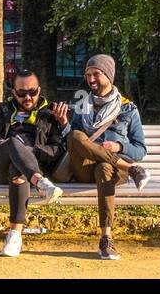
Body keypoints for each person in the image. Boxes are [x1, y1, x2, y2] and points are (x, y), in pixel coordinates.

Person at [51, 53, 149, 261]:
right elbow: (73, 142)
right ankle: (133, 170)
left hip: (113, 172)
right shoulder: (83, 105)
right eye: (88, 75)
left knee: (104, 168)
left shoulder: (128, 109)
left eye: (96, 74)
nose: (91, 79)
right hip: (85, 168)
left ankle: (106, 238)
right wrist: (63, 123)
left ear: (109, 75)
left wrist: (119, 146)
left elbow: (140, 150)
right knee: (75, 135)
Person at [0, 70, 68, 258]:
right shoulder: (1, 111)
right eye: (22, 93)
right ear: (14, 92)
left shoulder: (50, 114)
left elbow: (57, 148)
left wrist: (33, 152)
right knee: (13, 142)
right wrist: (0, 143)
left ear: (39, 90)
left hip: (27, 168)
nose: (28, 97)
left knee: (18, 167)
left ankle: (14, 236)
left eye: (32, 92)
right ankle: (41, 183)